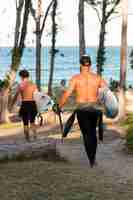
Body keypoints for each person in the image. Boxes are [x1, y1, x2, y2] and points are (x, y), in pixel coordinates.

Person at [58, 55, 107, 167]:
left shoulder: (76, 78)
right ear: (90, 64)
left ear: (80, 64)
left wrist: (59, 106)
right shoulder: (97, 78)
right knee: (93, 133)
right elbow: (106, 92)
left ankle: (91, 159)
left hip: (82, 109)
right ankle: (93, 158)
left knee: (86, 134)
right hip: (94, 108)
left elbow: (67, 94)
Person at [11, 69, 38, 142]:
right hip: (33, 103)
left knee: (25, 123)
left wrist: (12, 104)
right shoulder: (33, 84)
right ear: (28, 76)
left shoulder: (21, 84)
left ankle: (28, 139)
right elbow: (37, 95)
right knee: (32, 122)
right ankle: (35, 137)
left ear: (21, 76)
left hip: (25, 104)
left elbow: (16, 96)